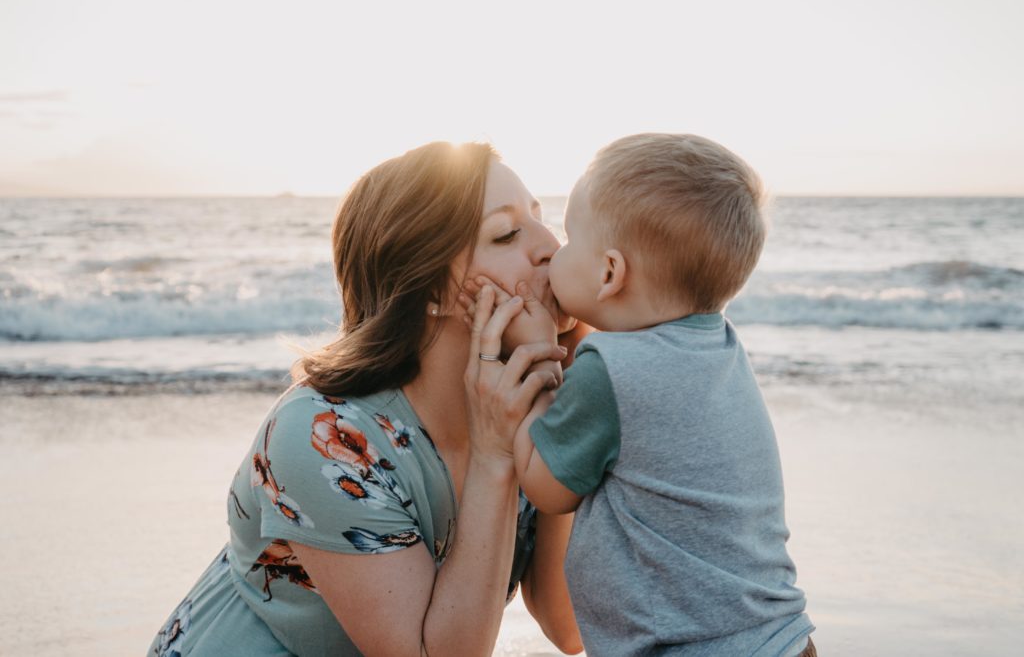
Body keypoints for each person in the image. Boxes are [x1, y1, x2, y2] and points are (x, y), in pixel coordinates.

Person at [148, 142, 585, 656]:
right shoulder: (322, 436)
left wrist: (563, 422)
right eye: (507, 233)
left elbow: (568, 626)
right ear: (431, 291)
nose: (551, 247)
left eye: (541, 220)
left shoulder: (527, 405)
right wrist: (494, 458)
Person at [471, 134, 817, 656]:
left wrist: (541, 355)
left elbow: (547, 489)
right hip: (779, 638)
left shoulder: (609, 368)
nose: (552, 254)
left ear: (609, 273)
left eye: (569, 239)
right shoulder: (719, 346)